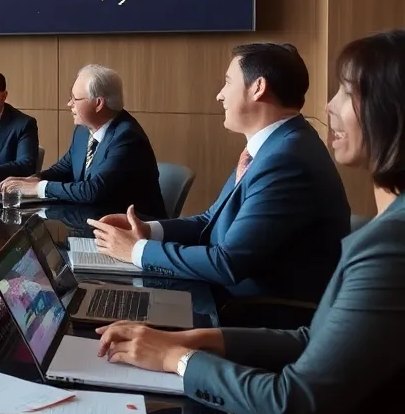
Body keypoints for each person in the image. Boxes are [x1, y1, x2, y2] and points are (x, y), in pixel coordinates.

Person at [96, 30, 405, 414]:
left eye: (347, 92)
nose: (329, 105)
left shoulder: (383, 239)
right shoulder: (273, 149)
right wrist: (193, 340)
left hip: (263, 321)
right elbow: (311, 338)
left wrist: (176, 358)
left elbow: (292, 403)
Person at [88, 44, 349, 302]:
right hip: (228, 298)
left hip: (255, 315)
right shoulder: (278, 145)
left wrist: (137, 251)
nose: (220, 95)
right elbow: (211, 220)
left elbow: (227, 263)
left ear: (258, 87)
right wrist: (148, 230)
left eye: (227, 82)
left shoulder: (286, 159)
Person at [0, 65, 165, 218]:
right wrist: (30, 180)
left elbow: (93, 190)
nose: (69, 104)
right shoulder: (83, 129)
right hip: (92, 221)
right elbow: (64, 167)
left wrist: (38, 188)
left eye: (75, 99)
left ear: (98, 103)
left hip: (133, 231)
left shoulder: (127, 138)